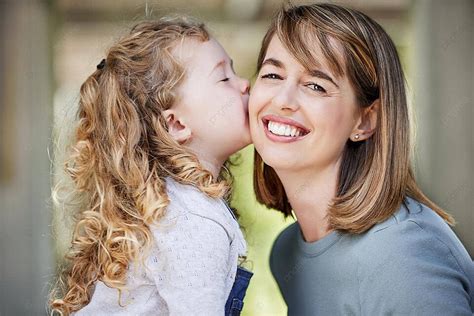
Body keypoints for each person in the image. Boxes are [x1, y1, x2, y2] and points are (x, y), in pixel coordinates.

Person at [249, 3, 473, 315]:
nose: (282, 100)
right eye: (273, 74)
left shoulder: (402, 256)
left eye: (316, 85)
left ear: (365, 121)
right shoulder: (288, 253)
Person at [50, 17, 252, 315]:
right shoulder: (196, 221)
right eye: (224, 79)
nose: (245, 83)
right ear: (176, 123)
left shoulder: (173, 206)